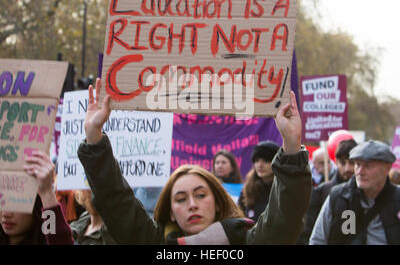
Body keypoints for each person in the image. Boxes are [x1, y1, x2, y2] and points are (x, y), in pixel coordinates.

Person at [77, 78, 311, 244]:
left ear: (218, 202)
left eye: (200, 195)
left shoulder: (246, 240)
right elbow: (115, 200)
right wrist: (94, 136)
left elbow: (286, 218)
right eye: (180, 199)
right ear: (170, 212)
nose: (192, 204)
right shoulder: (153, 243)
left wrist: (291, 145)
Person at [309, 140, 400, 245]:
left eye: (368, 166)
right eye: (357, 164)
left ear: (387, 168)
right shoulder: (338, 197)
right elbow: (317, 240)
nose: (360, 172)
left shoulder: (397, 199)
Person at [0, 151, 73, 245]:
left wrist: (46, 192)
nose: (6, 214)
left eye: (16, 202)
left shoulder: (49, 239)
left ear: (37, 206)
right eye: (2, 202)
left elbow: (59, 240)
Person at [297, 139, 357, 244]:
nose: (348, 168)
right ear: (336, 162)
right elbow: (309, 232)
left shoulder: (367, 191)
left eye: (351, 162)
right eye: (343, 163)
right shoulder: (321, 192)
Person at [237, 140, 279, 222]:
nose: (260, 165)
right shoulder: (247, 188)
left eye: (265, 161)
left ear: (276, 163)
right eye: (256, 161)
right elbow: (239, 217)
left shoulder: (283, 188)